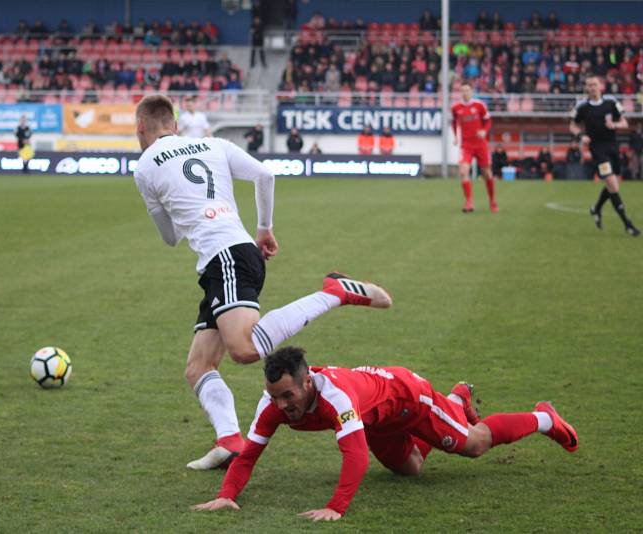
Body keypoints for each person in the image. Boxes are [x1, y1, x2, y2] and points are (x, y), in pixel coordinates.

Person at [133, 95, 393, 470]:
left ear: (141, 128)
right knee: (199, 366)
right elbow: (265, 175)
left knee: (242, 348)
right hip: (232, 256)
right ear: (175, 124)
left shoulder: (144, 167)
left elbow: (170, 238)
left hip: (225, 259)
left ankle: (333, 293)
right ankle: (229, 441)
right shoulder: (214, 144)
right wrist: (264, 228)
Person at [192, 346, 578, 521]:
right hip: (375, 418)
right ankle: (457, 399)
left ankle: (543, 417)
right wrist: (227, 496)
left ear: (308, 382)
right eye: (275, 396)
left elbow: (355, 456)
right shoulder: (271, 404)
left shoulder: (336, 397)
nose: (281, 406)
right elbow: (249, 454)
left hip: (410, 398)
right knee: (410, 469)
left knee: (474, 444)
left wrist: (335, 507)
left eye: (288, 395)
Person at [570, 75, 640, 236]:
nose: (592, 88)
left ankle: (596, 209)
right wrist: (581, 136)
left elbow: (625, 123)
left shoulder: (610, 102)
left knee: (613, 184)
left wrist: (614, 124)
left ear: (600, 86)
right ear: (586, 88)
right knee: (613, 184)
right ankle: (627, 224)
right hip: (597, 149)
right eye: (589, 85)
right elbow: (573, 126)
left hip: (612, 148)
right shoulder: (582, 106)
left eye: (594, 84)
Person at [452, 82, 498, 213]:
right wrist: (455, 136)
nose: (465, 93)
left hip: (480, 144)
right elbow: (454, 122)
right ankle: (469, 202)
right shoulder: (456, 107)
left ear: (472, 92)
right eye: (462, 91)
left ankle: (492, 201)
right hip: (466, 145)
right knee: (463, 172)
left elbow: (488, 120)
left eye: (467, 90)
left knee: (487, 174)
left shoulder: (479, 105)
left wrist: (484, 130)